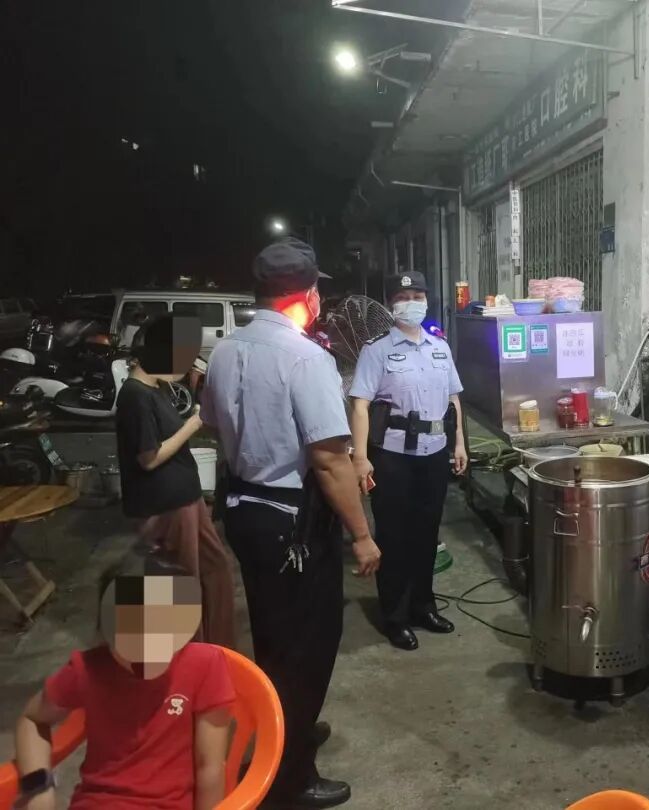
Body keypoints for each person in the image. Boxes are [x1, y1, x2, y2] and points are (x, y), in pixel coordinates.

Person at [201, 236, 380, 809]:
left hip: (244, 512)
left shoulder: (224, 351)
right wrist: (362, 535)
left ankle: (286, 727)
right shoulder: (306, 358)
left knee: (274, 635)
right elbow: (329, 460)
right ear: (306, 296)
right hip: (292, 525)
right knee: (310, 644)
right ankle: (291, 774)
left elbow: (214, 426)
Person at [13, 549, 235, 810]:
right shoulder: (88, 670)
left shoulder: (204, 666)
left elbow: (210, 768)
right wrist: (38, 787)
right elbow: (32, 719)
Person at [349, 271, 468, 651]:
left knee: (427, 535)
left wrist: (459, 444)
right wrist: (361, 457)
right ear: (391, 304)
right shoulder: (376, 350)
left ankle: (423, 606)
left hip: (433, 454)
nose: (411, 302)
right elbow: (361, 405)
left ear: (427, 301)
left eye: (418, 295)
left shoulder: (440, 347)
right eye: (403, 296)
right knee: (394, 537)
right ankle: (395, 617)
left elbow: (453, 399)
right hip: (393, 457)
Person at [115, 313, 236, 649]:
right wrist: (193, 425)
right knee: (180, 588)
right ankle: (185, 661)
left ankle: (217, 651)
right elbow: (149, 457)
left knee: (216, 571)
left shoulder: (157, 389)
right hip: (164, 506)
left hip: (186, 498)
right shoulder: (135, 396)